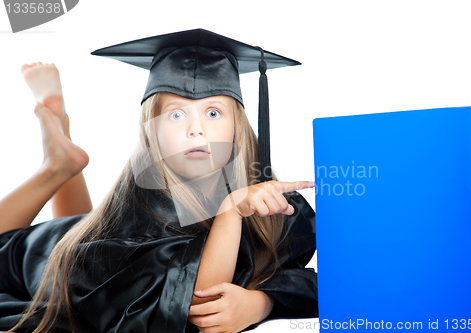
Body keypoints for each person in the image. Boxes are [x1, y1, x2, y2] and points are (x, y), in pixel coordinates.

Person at [0, 29, 318, 333]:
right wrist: (230, 212)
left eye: (213, 113)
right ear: (153, 134)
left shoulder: (273, 210)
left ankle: (64, 155)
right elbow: (193, 302)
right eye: (176, 115)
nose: (196, 130)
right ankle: (55, 167)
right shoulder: (131, 221)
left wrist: (260, 303)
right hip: (47, 258)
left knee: (77, 223)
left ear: (238, 127)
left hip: (79, 230)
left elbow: (322, 281)